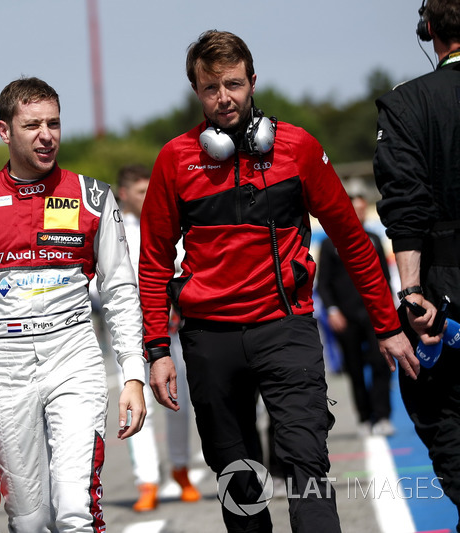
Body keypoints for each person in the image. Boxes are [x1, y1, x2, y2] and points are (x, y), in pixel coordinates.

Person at [139, 30, 418, 533]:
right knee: (240, 487)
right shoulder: (175, 160)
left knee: (307, 468)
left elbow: (352, 240)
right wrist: (157, 349)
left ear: (252, 82)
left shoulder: (297, 148)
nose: (224, 98)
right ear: (196, 93)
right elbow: (154, 260)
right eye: (210, 89)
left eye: (234, 84)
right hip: (209, 339)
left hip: (285, 330)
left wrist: (387, 324)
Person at [0, 76, 147, 532]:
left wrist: (132, 374)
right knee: (28, 521)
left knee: (73, 507)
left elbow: (121, 291)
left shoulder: (93, 196)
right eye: (32, 125)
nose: (46, 135)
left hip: (74, 356)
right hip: (5, 367)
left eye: (54, 123)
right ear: (5, 131)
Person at [373, 1, 460, 529]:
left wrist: (410, 294)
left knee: (444, 420)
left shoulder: (407, 104)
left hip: (444, 295)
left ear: (427, 31)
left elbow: (404, 206)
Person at [115, 164, 201, 511]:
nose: (147, 196)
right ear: (124, 194)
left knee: (176, 401)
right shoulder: (113, 228)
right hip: (131, 334)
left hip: (172, 330)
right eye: (139, 191)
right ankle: (147, 481)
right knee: (138, 407)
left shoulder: (167, 220)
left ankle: (181, 470)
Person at [316, 178, 395, 437]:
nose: (360, 213)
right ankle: (364, 417)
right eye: (355, 209)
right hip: (346, 317)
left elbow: (383, 276)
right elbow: (324, 284)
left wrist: (389, 308)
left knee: (381, 363)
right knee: (355, 368)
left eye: (363, 209)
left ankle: (383, 416)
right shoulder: (330, 244)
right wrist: (333, 310)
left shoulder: (373, 238)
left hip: (373, 314)